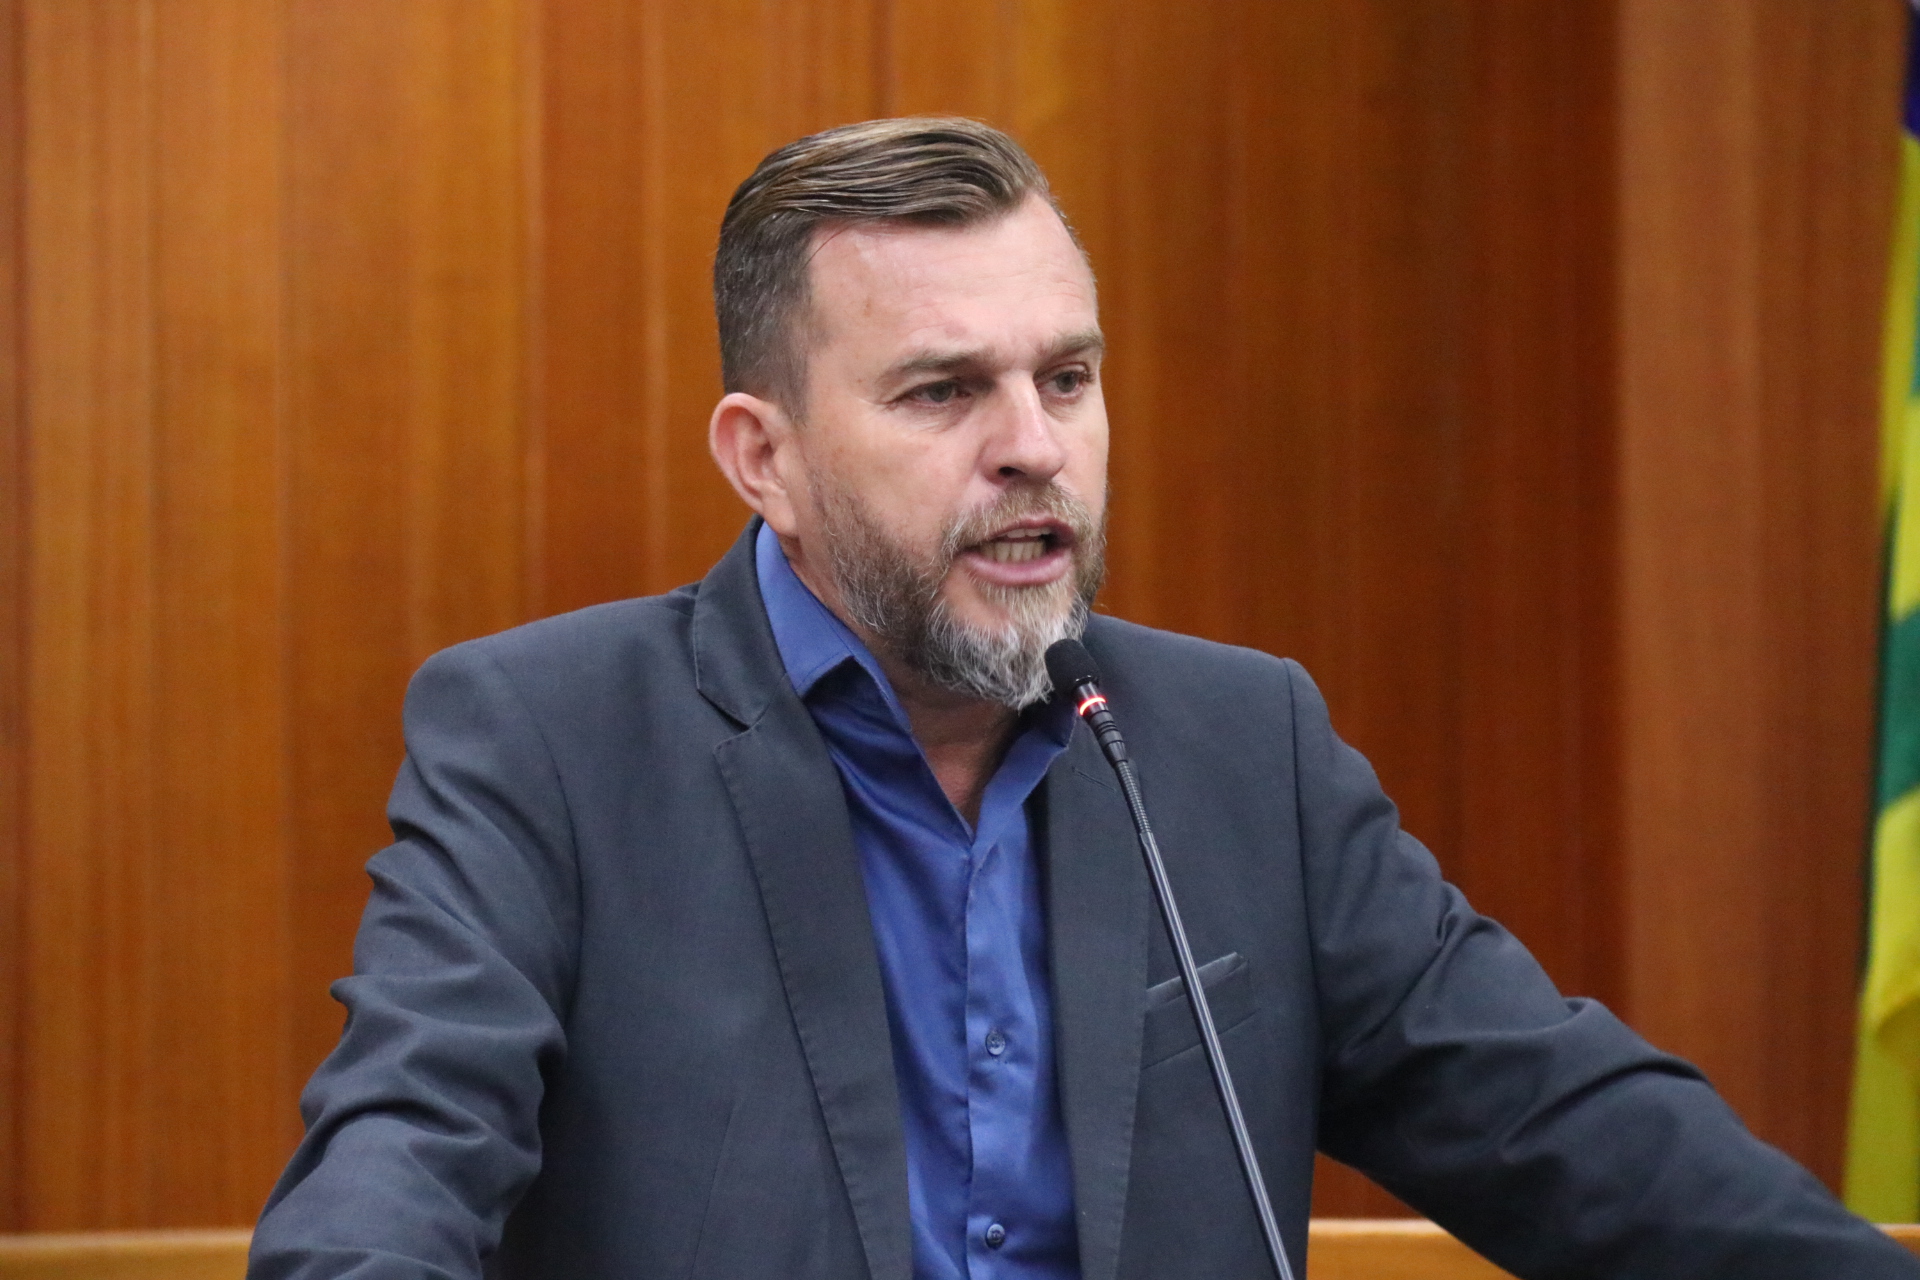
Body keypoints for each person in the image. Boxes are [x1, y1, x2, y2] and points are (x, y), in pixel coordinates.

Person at [248, 117, 1919, 1280]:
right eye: (942, 391)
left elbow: (1569, 1133)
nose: (1033, 447)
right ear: (766, 457)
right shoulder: (550, 743)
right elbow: (401, 1157)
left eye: (1067, 376)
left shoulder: (1238, 748)